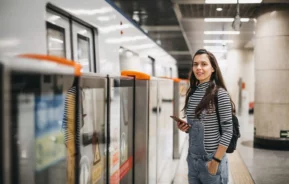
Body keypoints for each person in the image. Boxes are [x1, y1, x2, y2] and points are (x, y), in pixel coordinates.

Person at [177, 49, 234, 184]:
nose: (199, 68)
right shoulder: (192, 93)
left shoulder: (220, 94)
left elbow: (228, 131)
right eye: (195, 64)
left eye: (204, 64)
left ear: (213, 68)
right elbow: (198, 126)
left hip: (211, 161)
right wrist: (186, 128)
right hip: (193, 160)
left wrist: (215, 161)